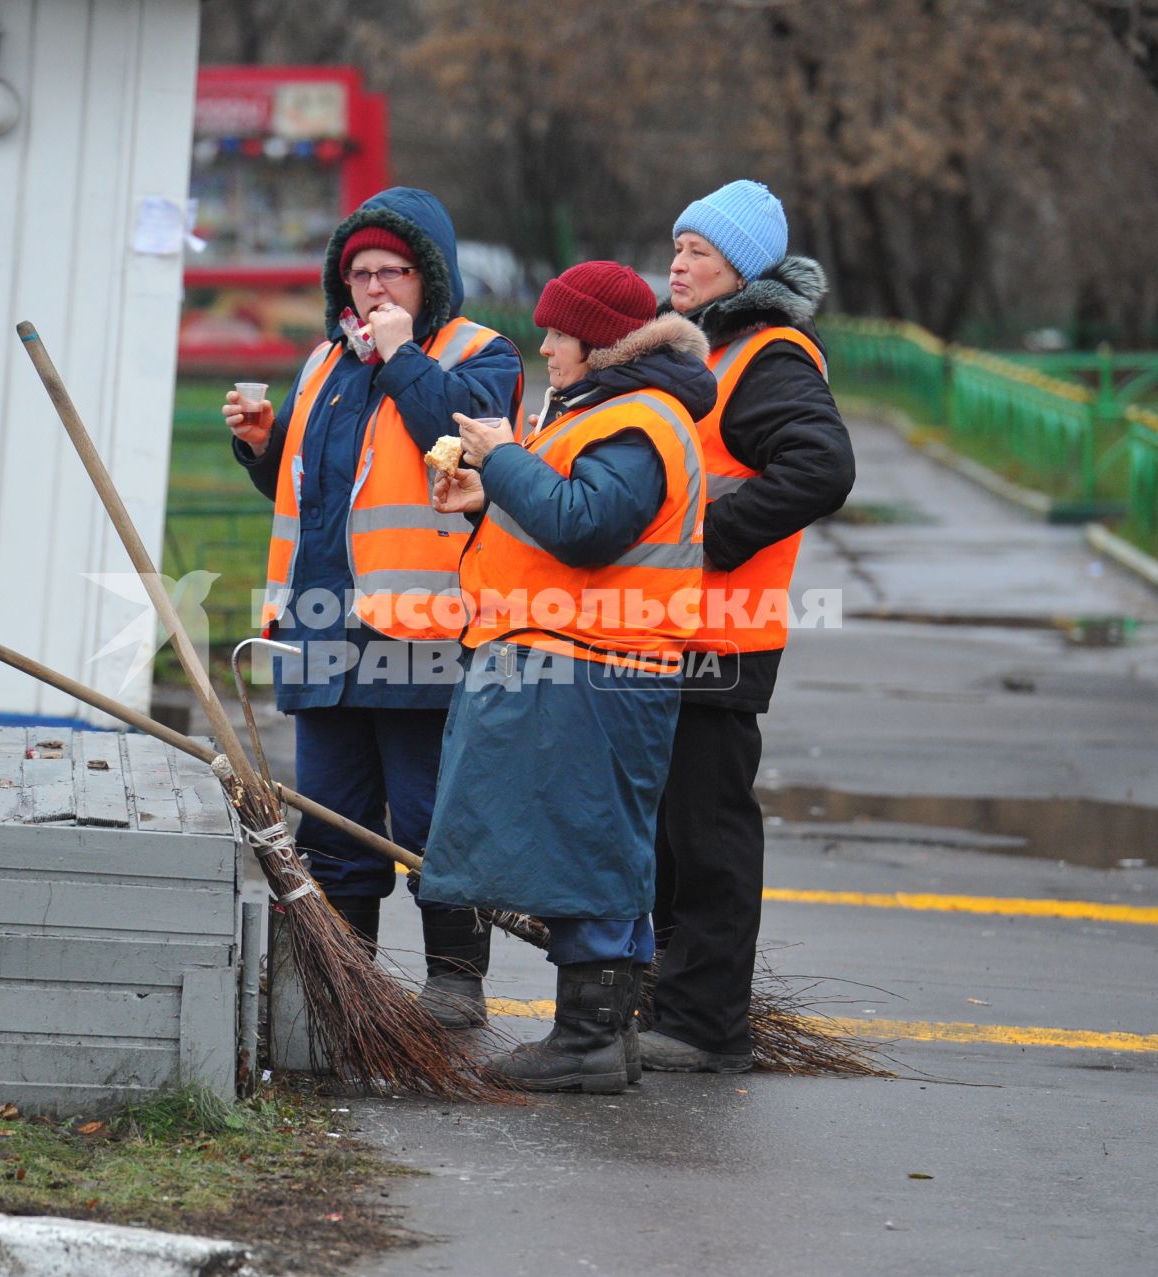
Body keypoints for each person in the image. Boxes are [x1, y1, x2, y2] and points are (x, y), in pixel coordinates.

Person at [225, 187, 523, 1027]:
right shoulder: (324, 362)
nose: (376, 287)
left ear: (430, 276)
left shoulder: (482, 353)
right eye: (360, 272)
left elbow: (469, 448)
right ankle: (342, 986)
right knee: (333, 821)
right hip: (319, 627)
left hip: (425, 628)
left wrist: (399, 359)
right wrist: (262, 447)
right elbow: (321, 495)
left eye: (394, 269)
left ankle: (454, 984)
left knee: (435, 819)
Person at [419, 262, 715, 1093]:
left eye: (559, 332)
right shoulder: (617, 412)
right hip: (584, 662)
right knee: (589, 846)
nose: (546, 346)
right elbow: (567, 517)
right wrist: (489, 496)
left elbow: (586, 528)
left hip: (594, 666)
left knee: (586, 849)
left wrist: (506, 456)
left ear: (599, 343)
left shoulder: (635, 420)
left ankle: (587, 1039)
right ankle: (599, 1034)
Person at [642, 179, 855, 1073]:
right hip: (662, 633)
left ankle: (706, 1025)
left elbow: (822, 466)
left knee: (706, 835)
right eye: (678, 245)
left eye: (699, 251)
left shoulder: (767, 356)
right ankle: (673, 1001)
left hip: (721, 638)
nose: (678, 263)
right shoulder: (699, 352)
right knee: (665, 838)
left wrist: (713, 540)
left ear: (744, 268)